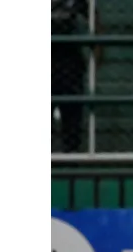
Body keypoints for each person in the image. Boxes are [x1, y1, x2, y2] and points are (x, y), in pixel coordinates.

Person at [51, 0, 102, 153]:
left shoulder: (80, 3)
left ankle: (70, 162)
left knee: (72, 118)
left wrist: (97, 57)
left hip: (71, 65)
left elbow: (96, 23)